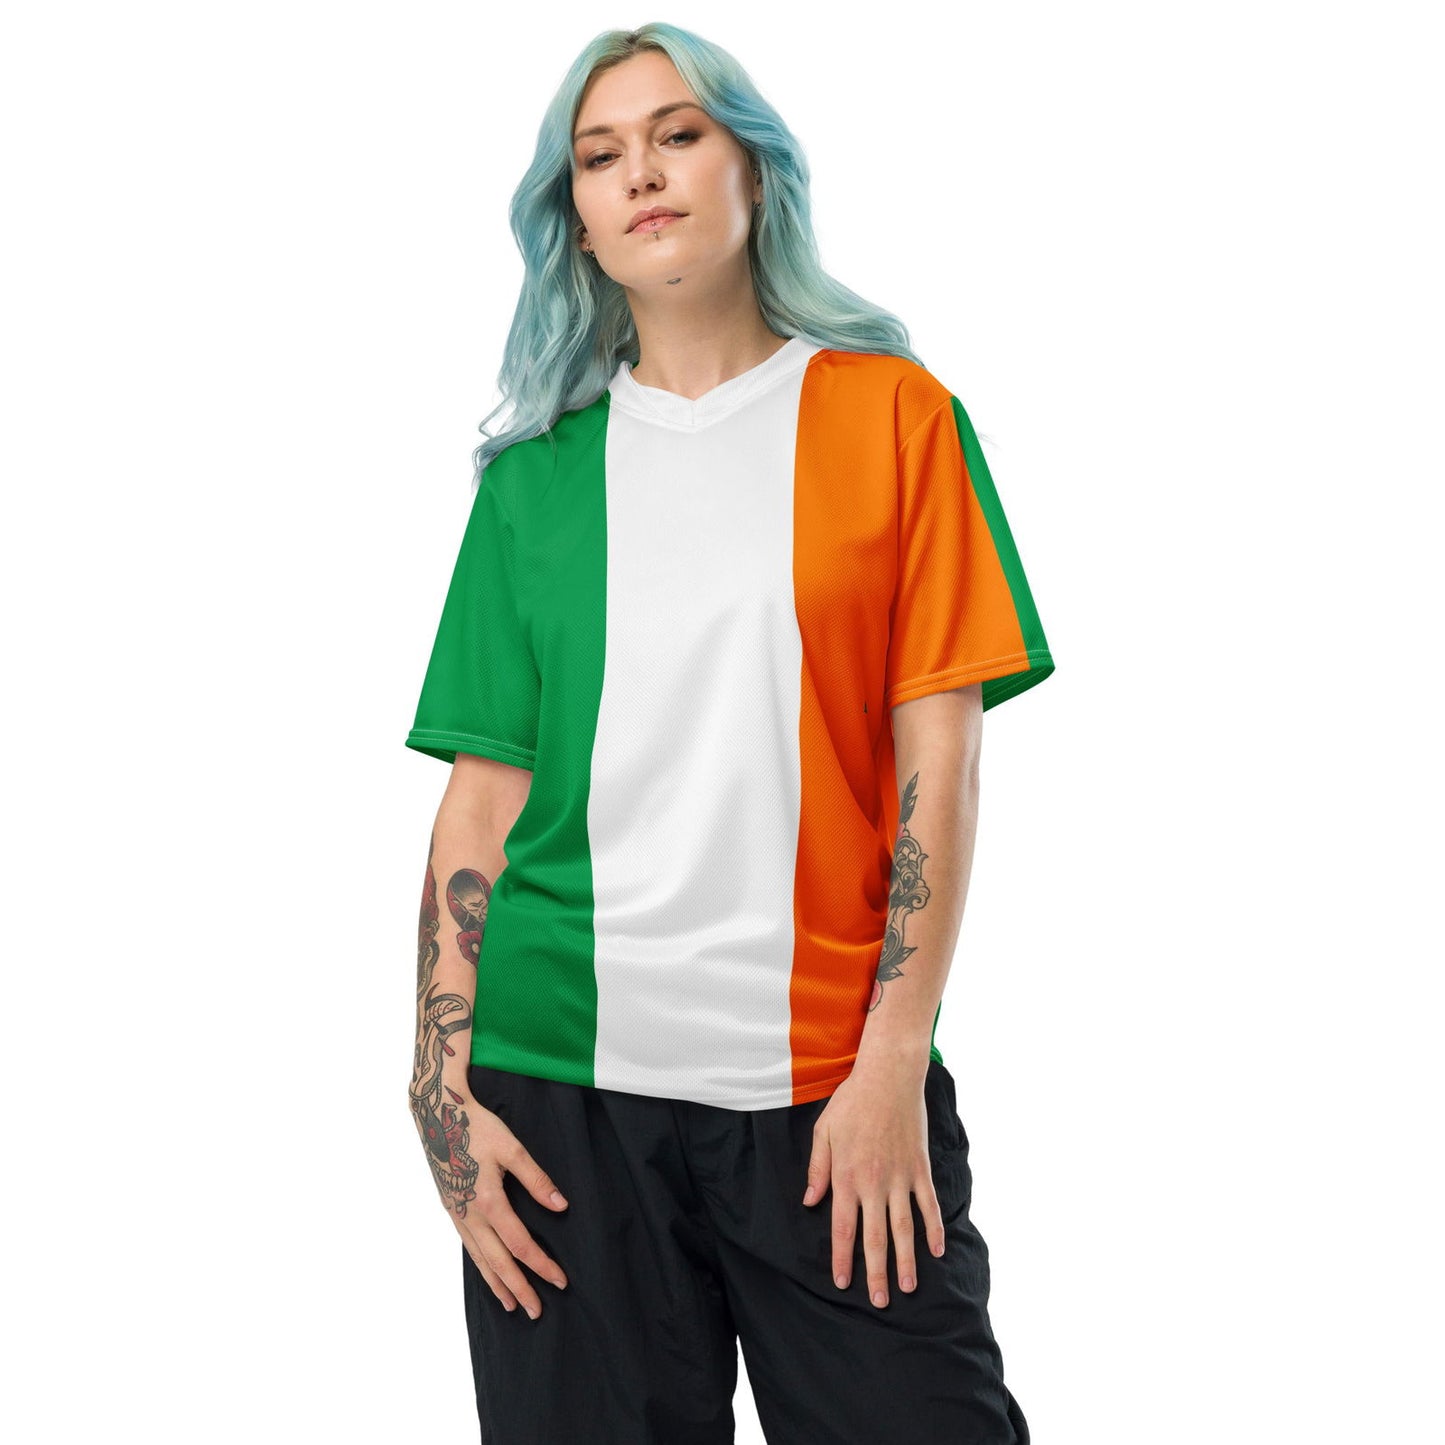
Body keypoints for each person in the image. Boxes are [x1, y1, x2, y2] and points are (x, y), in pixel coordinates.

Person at [405, 22, 1054, 1445]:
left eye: (678, 134)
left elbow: (940, 765)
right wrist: (440, 1088)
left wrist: (892, 1060)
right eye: (600, 156)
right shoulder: (532, 485)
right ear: (576, 219)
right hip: (559, 1096)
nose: (642, 173)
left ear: (754, 169)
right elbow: (482, 806)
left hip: (830, 1089)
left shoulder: (897, 420)